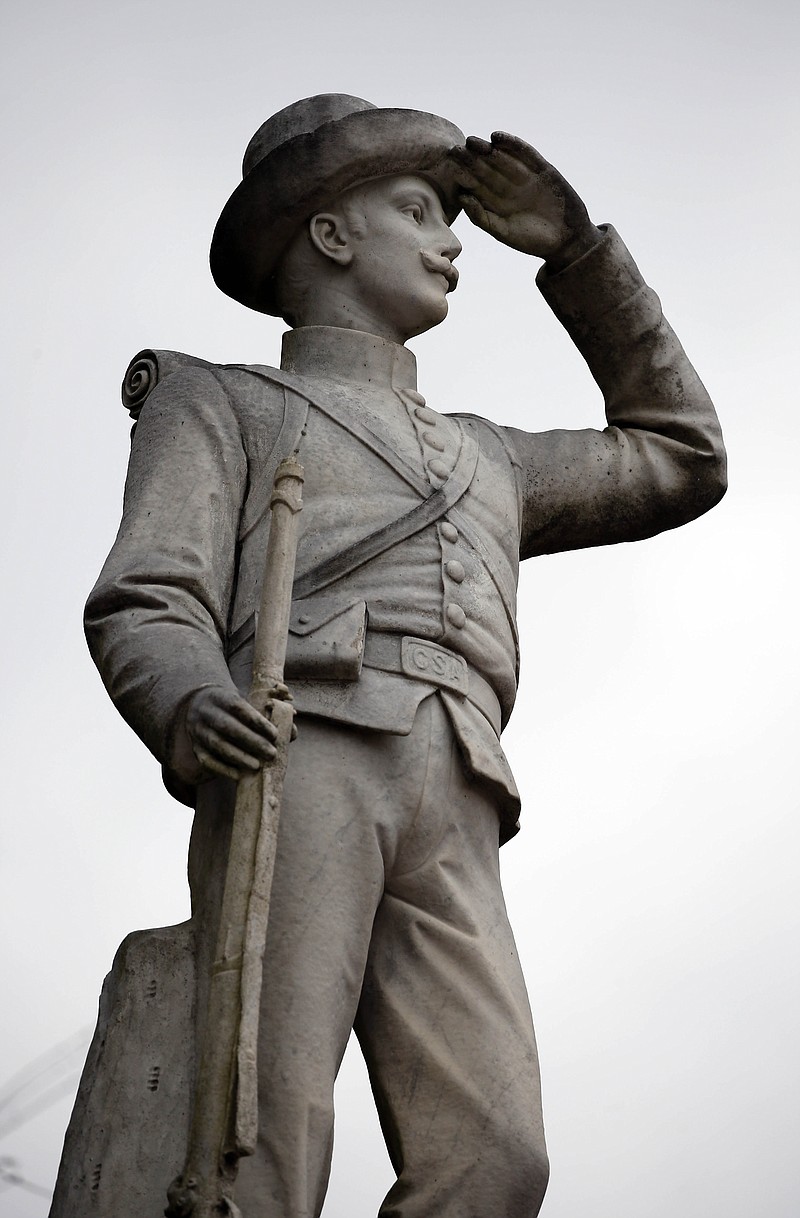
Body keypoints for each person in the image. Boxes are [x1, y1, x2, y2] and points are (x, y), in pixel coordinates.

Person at [78, 94, 726, 1217]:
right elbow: (148, 596)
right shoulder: (216, 401)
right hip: (298, 751)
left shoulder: (490, 457)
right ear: (330, 234)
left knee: (498, 1158)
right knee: (253, 1132)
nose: (451, 240)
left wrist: (578, 257)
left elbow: (681, 453)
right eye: (418, 209)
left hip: (462, 787)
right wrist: (190, 699)